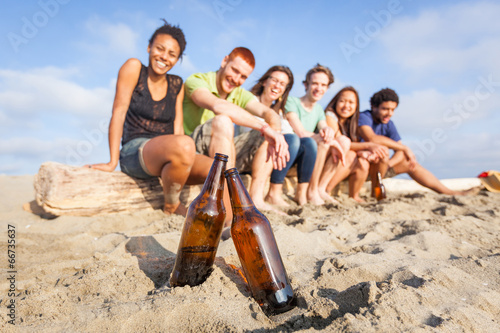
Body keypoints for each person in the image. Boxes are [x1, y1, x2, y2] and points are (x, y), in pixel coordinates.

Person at [88, 20, 195, 216]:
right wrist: (112, 162)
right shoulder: (134, 68)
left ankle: (228, 225)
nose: (164, 57)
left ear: (178, 59)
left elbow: (177, 128)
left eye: (172, 54)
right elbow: (118, 113)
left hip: (168, 152)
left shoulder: (177, 84)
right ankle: (171, 206)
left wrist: (184, 162)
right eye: (160, 49)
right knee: (186, 145)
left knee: (218, 169)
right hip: (134, 152)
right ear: (149, 47)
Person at [183, 47, 289, 213]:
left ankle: (256, 198)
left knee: (266, 135)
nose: (236, 79)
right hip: (193, 151)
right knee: (223, 120)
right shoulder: (197, 80)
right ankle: (226, 202)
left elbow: (268, 113)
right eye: (234, 70)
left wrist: (274, 132)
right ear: (224, 61)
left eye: (243, 76)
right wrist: (265, 127)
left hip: (222, 152)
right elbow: (218, 106)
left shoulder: (239, 94)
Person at [358, 88, 476, 196]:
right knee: (387, 154)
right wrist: (404, 148)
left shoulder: (389, 124)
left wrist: (389, 164)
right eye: (385, 109)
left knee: (410, 163)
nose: (390, 113)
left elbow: (400, 151)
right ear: (374, 106)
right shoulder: (364, 117)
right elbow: (372, 138)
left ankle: (450, 192)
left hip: (381, 166)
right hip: (361, 165)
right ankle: (376, 193)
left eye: (393, 109)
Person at [248, 65, 317, 207]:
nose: (277, 86)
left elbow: (288, 132)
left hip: (270, 154)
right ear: (264, 81)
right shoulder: (250, 100)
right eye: (274, 80)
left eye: (282, 84)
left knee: (306, 143)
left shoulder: (279, 112)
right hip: (249, 149)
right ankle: (273, 192)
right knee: (285, 138)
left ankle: (300, 195)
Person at [284, 64, 348, 205]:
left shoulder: (319, 109)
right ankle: (311, 191)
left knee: (342, 140)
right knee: (324, 141)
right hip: (294, 153)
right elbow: (299, 132)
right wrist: (329, 140)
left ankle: (320, 189)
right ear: (306, 84)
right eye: (315, 83)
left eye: (323, 85)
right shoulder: (292, 101)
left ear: (327, 88)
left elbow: (324, 127)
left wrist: (329, 133)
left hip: (311, 153)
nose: (319, 88)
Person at [318, 86, 389, 202]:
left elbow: (352, 144)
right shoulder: (330, 116)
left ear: (356, 106)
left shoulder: (351, 123)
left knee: (363, 162)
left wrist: (364, 152)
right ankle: (325, 190)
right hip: (322, 155)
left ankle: (354, 196)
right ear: (335, 102)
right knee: (351, 155)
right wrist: (368, 146)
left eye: (351, 102)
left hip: (335, 157)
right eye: (342, 101)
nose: (346, 106)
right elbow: (339, 142)